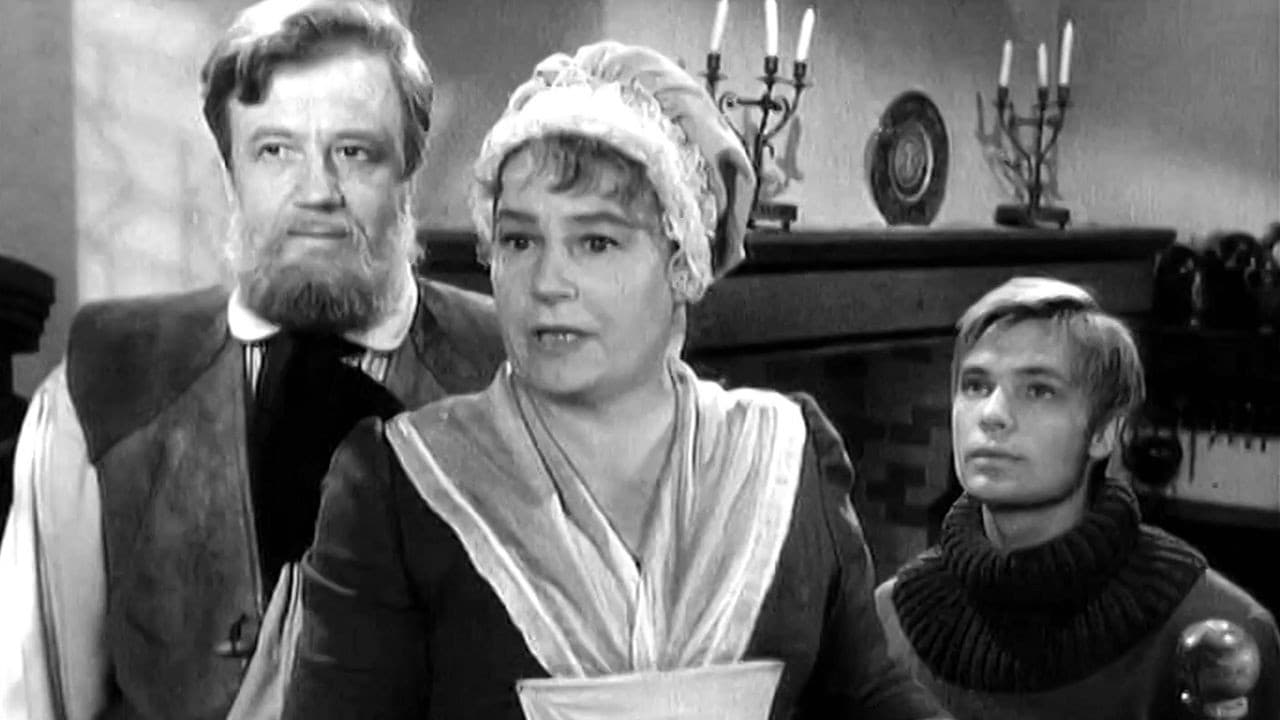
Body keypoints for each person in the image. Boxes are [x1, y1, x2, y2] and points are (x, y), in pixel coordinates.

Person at [281, 40, 950, 720]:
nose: (548, 283)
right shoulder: (397, 485)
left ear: (683, 263)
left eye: (595, 242)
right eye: (519, 241)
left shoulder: (786, 453)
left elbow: (869, 695)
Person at [0, 2, 503, 719]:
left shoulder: (509, 375)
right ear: (230, 169)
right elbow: (33, 700)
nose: (317, 192)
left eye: (354, 152)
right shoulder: (104, 387)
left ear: (409, 170)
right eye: (275, 151)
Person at [874, 277, 1280, 720]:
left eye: (1038, 390)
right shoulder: (888, 620)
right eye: (975, 386)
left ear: (1105, 432)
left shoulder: (1219, 639)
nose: (991, 415)